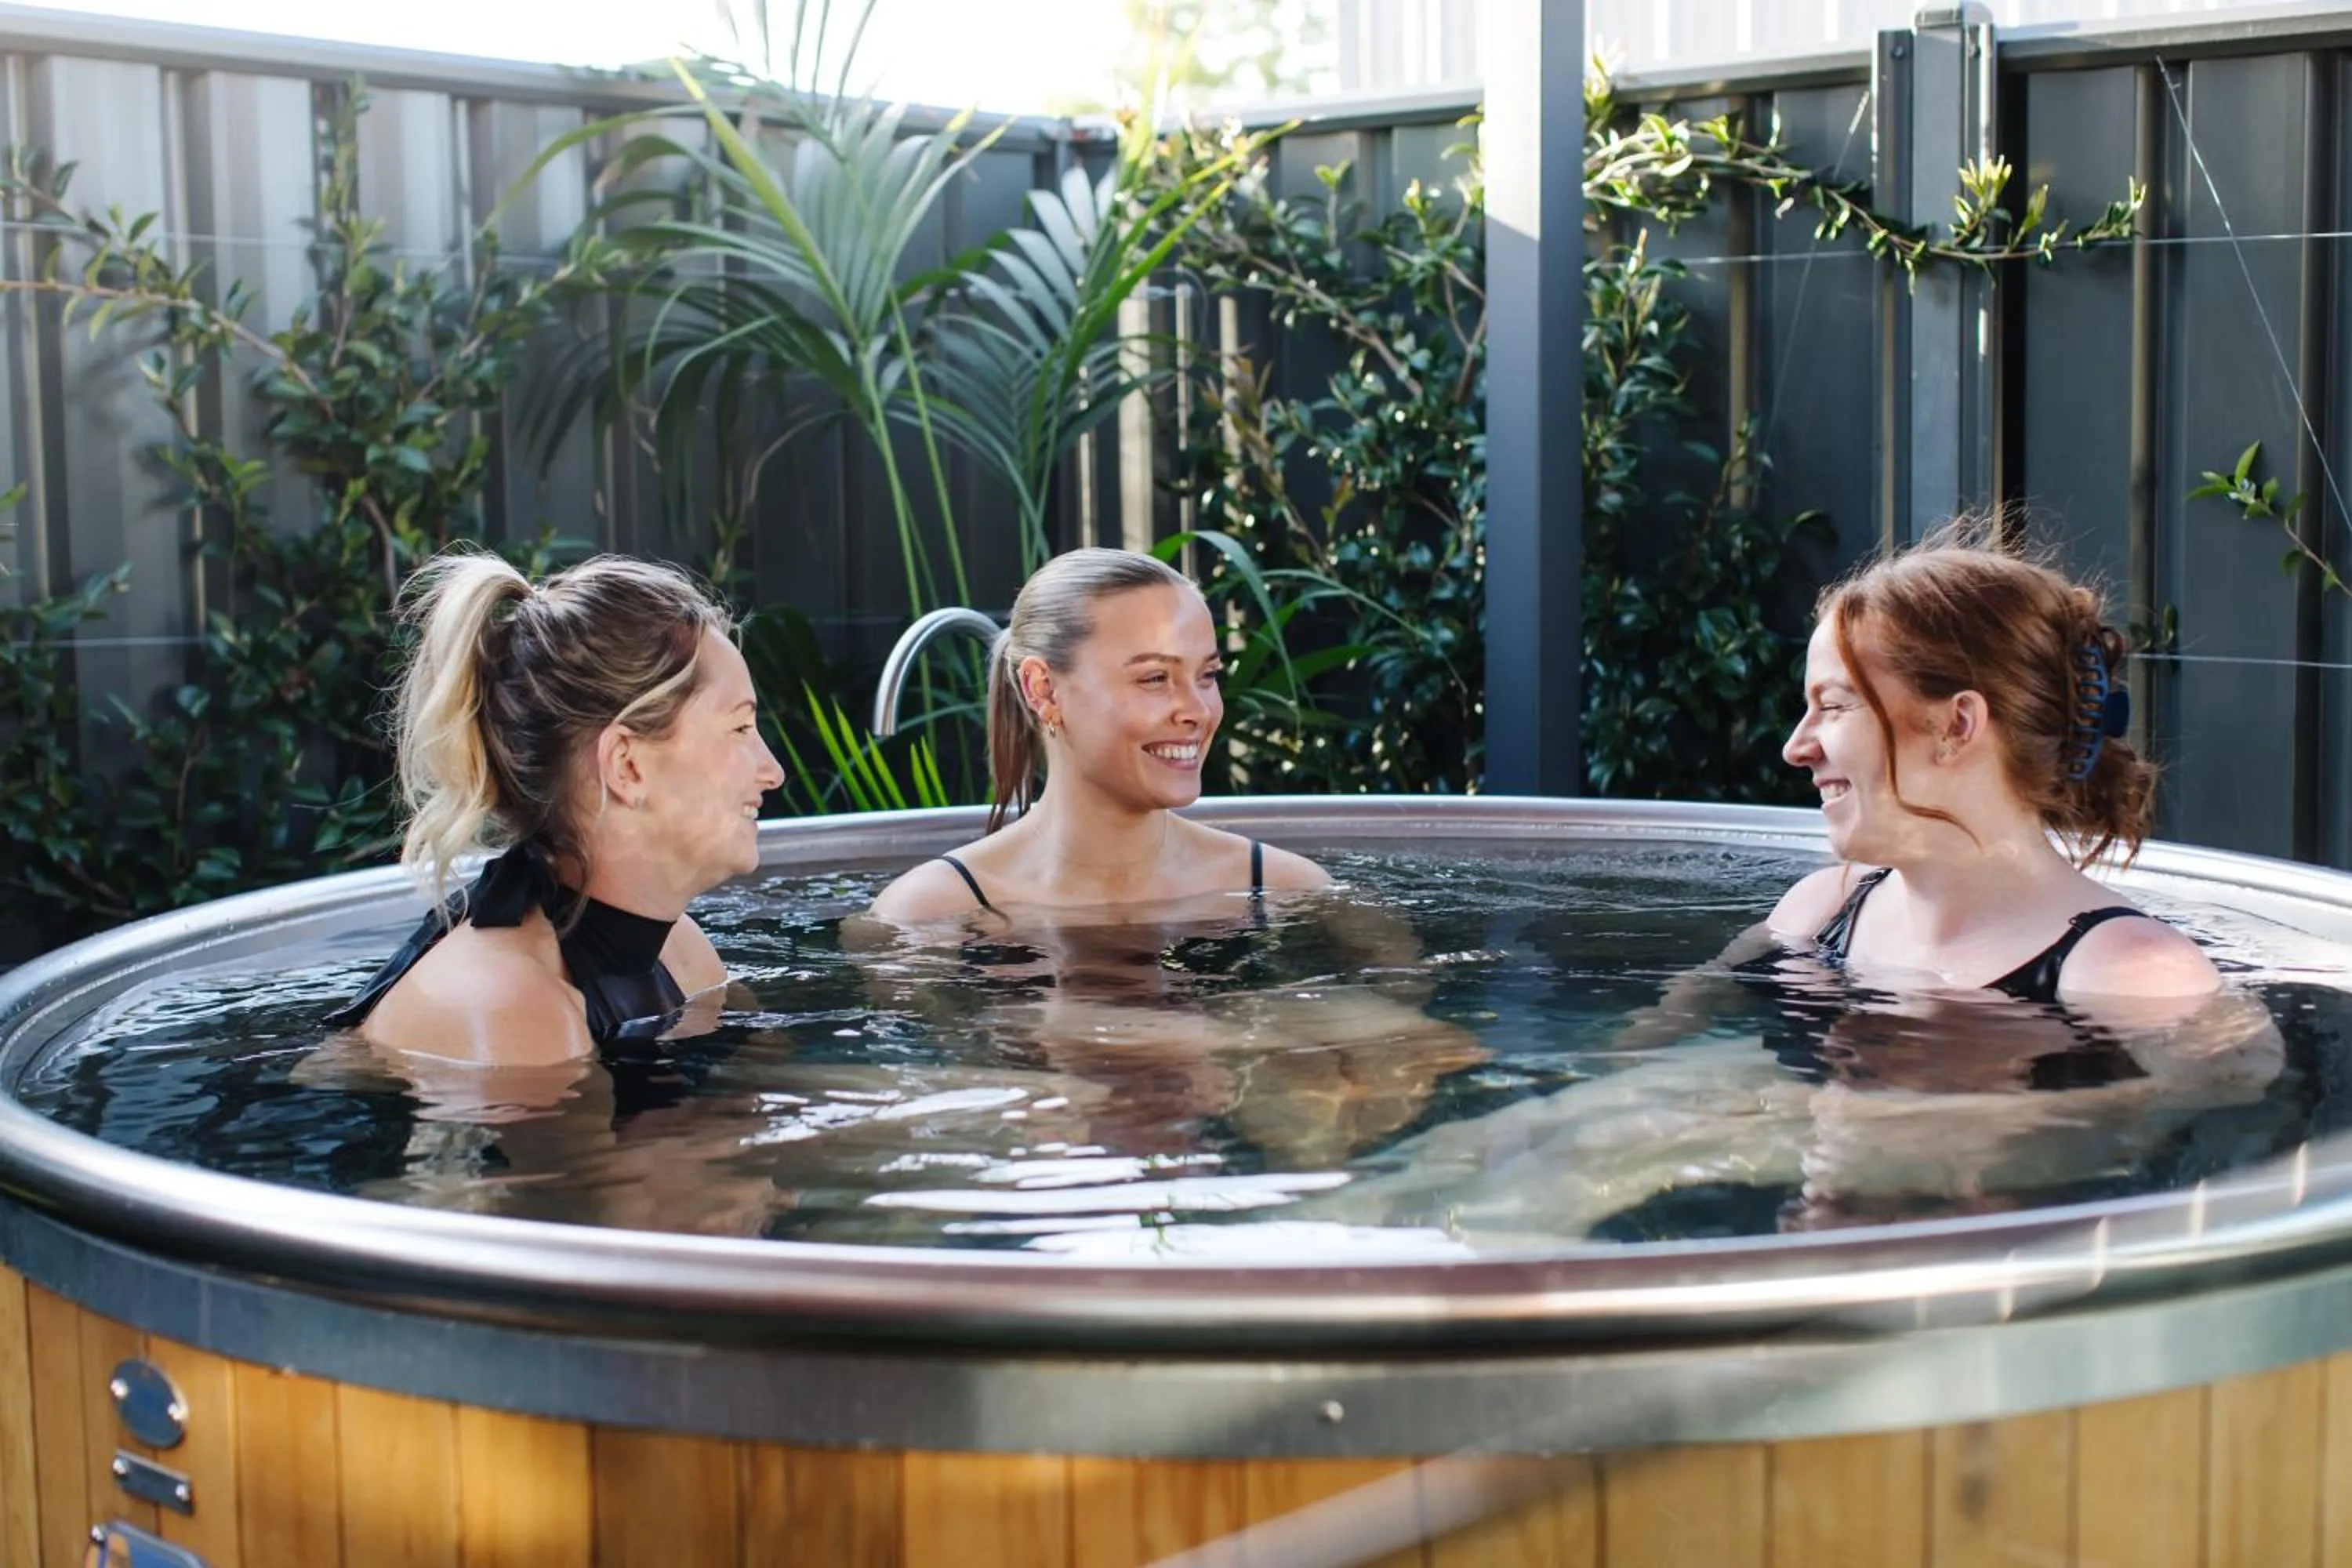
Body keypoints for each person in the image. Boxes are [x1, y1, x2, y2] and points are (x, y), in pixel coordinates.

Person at [324, 550, 783, 1065]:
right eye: (741, 728)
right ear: (627, 766)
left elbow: (760, 1100)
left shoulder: (681, 953)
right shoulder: (507, 1003)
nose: (773, 771)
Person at [1766, 525, 2216, 1004]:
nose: (1796, 748)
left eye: (1834, 706)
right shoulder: (1816, 917)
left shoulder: (2132, 974)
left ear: (1958, 724)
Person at [869, 546, 1327, 923]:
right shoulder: (928, 916)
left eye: (1207, 676)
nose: (1197, 710)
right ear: (1043, 689)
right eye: (1154, 679)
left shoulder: (1289, 891)